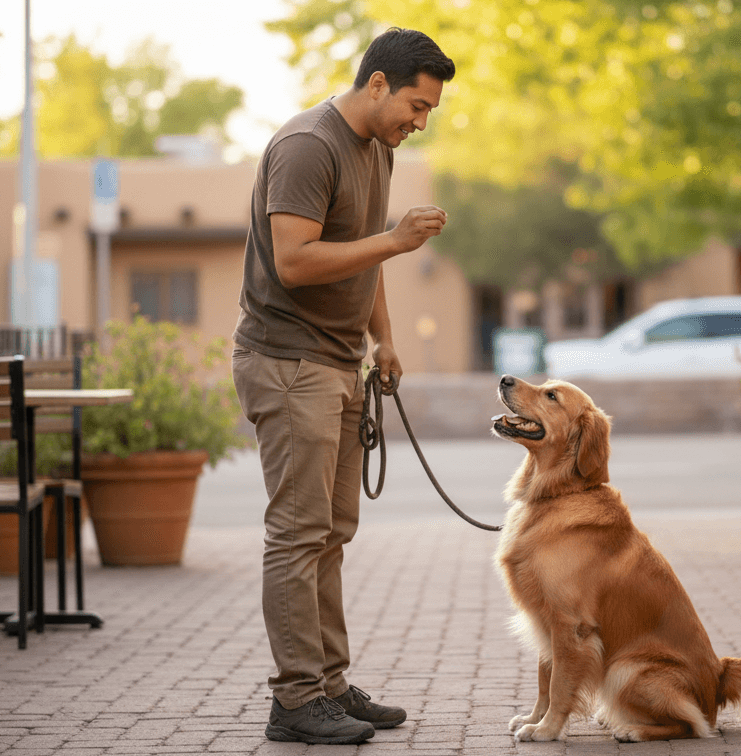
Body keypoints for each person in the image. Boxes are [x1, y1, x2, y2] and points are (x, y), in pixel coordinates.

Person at [230, 28, 455, 746]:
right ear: (379, 83)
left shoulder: (376, 149)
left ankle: (327, 683)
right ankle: (295, 700)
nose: (419, 124)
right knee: (298, 536)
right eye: (416, 107)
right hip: (288, 362)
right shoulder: (309, 145)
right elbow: (296, 261)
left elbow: (361, 257)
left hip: (339, 360)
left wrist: (383, 339)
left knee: (332, 534)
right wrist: (394, 239)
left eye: (428, 114)